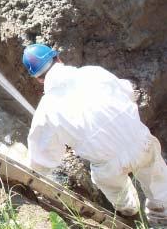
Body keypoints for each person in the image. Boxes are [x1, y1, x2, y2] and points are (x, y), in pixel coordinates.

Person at [22, 43, 167, 225]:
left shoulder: (46, 110)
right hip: (141, 142)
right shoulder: (93, 73)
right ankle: (163, 218)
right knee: (159, 184)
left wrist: (32, 169)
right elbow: (128, 92)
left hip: (108, 165)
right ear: (58, 58)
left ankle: (130, 214)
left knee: (118, 193)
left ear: (39, 79)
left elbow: (42, 158)